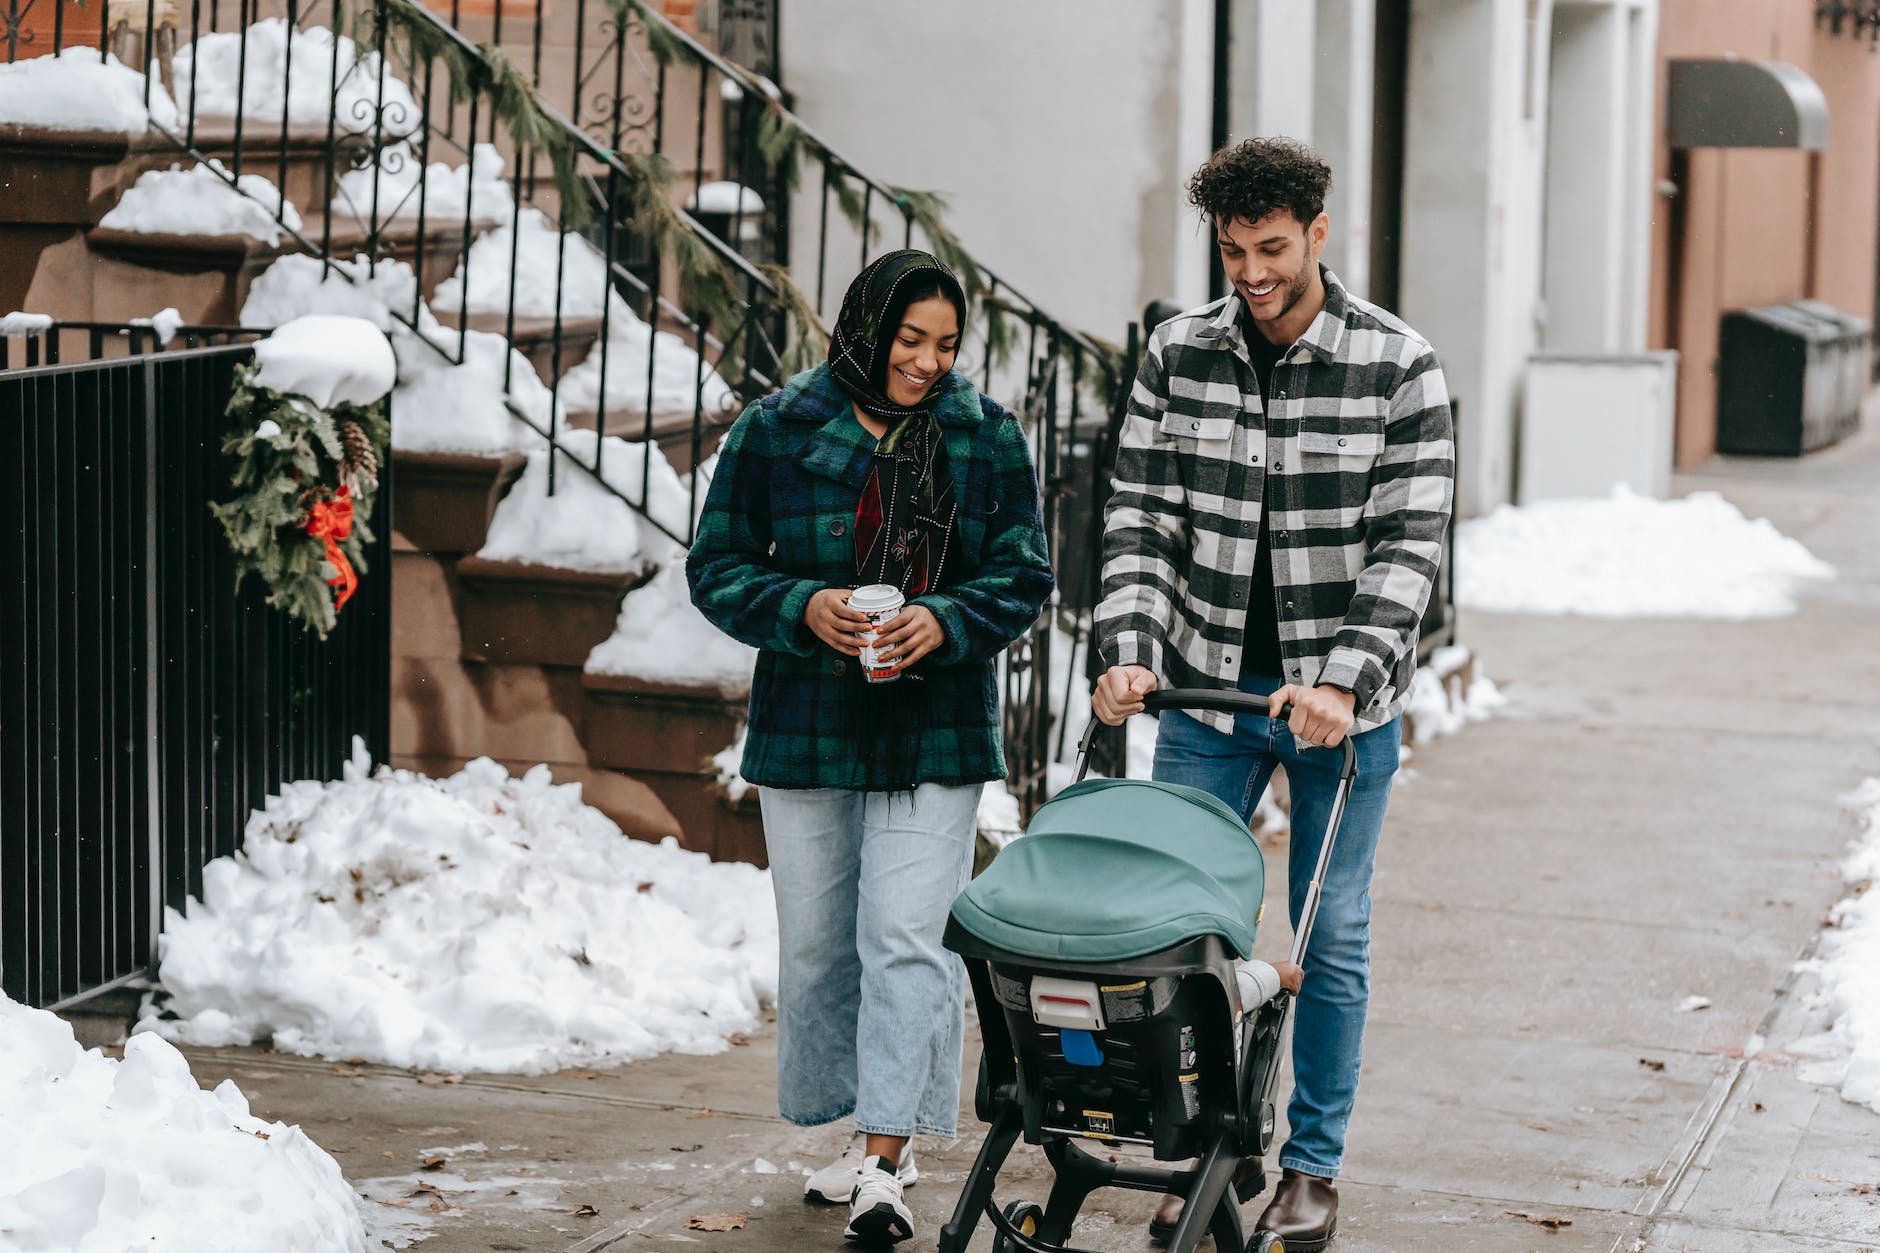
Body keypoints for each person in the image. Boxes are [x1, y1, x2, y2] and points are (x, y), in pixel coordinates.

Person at [1092, 137, 1455, 1251]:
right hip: (1203, 692)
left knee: (1324, 932)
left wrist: (1342, 681)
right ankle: (1202, 1148)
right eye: (1232, 247)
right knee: (1186, 933)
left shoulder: (1397, 364)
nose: (1250, 270)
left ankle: (1309, 1165)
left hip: (1335, 707)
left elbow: (1407, 547)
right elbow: (1140, 513)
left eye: (1270, 247)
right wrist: (1127, 645)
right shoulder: (1177, 353)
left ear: (1316, 234)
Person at [687, 249, 1054, 1247]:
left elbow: (1023, 572)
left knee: (903, 934)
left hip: (933, 721)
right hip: (806, 716)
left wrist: (945, 618)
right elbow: (714, 567)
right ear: (863, 328)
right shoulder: (776, 432)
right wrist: (799, 603)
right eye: (908, 340)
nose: (926, 364)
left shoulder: (982, 438)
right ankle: (859, 1122)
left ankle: (886, 1158)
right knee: (817, 945)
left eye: (943, 345)